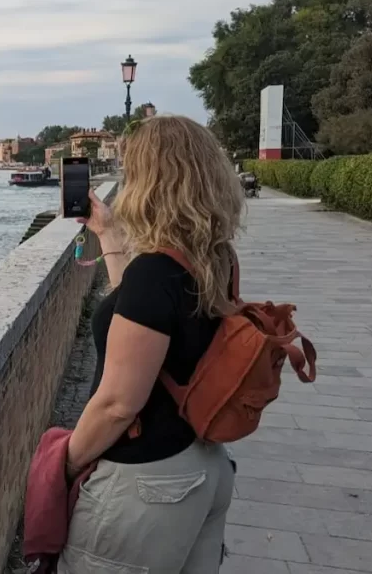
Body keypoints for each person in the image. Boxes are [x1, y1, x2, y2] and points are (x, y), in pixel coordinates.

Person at [61, 115, 245, 573]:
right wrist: (107, 233)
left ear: (149, 181)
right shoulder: (214, 258)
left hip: (149, 486)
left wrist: (63, 465)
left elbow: (118, 406)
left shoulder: (155, 274)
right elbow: (141, 318)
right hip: (203, 467)